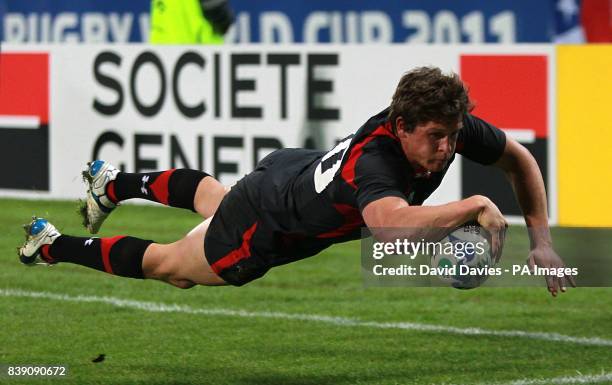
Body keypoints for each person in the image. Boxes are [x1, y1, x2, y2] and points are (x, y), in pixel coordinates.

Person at [18, 67, 574, 296]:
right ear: (401, 127)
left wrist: (542, 241)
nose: (448, 147)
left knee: (216, 199)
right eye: (435, 137)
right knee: (173, 267)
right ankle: (51, 244)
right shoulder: (378, 163)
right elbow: (387, 226)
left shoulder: (441, 124)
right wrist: (473, 203)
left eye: (454, 136)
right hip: (272, 221)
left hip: (292, 174)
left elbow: (520, 160)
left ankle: (112, 184)